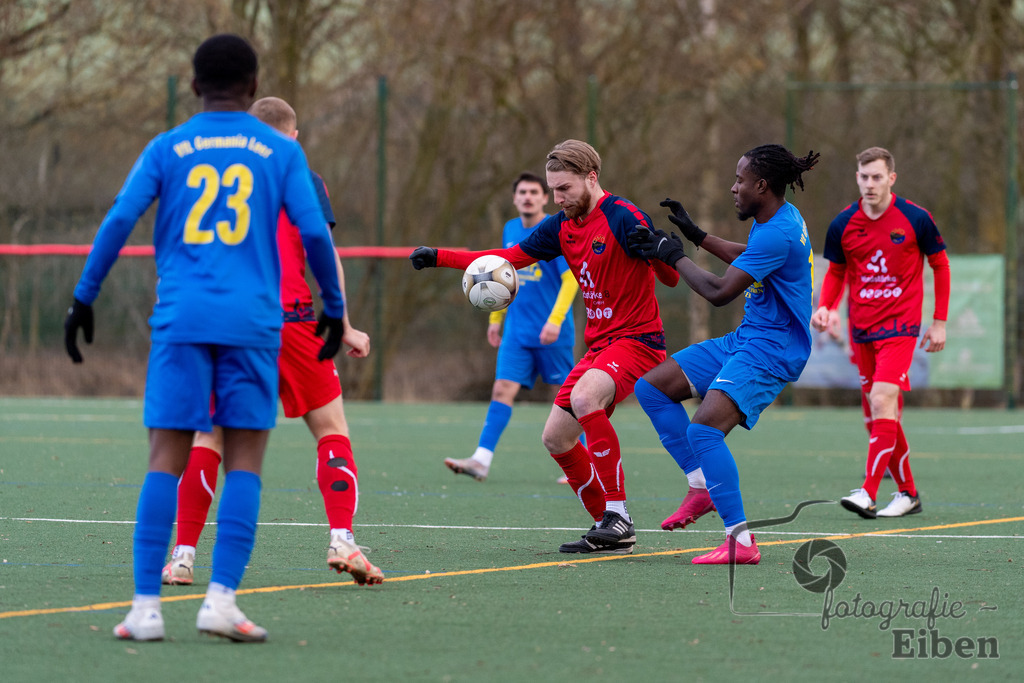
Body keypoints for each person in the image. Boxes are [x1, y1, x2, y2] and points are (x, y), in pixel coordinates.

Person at [63, 34, 346, 642]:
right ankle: (221, 601)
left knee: (167, 454)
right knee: (246, 458)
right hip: (252, 324)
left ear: (193, 86)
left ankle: (145, 609)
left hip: (182, 320)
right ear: (251, 88)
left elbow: (118, 219)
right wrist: (335, 305)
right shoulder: (280, 150)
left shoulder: (169, 146)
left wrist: (84, 296)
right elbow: (315, 236)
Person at [411, 140, 679, 554]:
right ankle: (605, 526)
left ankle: (618, 514)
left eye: (565, 189)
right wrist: (439, 258)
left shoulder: (624, 217)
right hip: (600, 345)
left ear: (592, 178)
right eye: (553, 189)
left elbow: (671, 280)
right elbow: (509, 258)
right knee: (555, 438)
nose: (557, 198)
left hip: (639, 341)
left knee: (587, 397)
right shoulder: (561, 226)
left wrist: (660, 254)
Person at [160, 96, 382, 590]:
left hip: (230, 324)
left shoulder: (213, 180)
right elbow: (321, 250)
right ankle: (342, 539)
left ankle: (182, 556)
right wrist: (342, 323)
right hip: (294, 321)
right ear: (293, 135)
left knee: (210, 437)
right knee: (330, 428)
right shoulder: (302, 177)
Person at [630, 144, 819, 565]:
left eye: (740, 181)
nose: (733, 188)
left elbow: (718, 293)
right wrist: (697, 237)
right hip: (749, 338)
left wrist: (674, 256)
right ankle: (701, 486)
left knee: (703, 432)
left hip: (772, 350)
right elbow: (749, 257)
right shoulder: (777, 217)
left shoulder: (776, 231)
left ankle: (742, 542)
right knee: (653, 388)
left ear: (762, 185)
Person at [811, 146, 949, 519]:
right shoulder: (843, 223)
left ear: (891, 178)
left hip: (901, 327)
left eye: (877, 177)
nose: (869, 184)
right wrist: (826, 306)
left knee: (883, 399)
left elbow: (940, 265)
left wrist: (939, 321)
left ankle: (868, 492)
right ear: (856, 177)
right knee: (877, 416)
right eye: (863, 176)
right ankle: (908, 494)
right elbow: (837, 271)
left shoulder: (916, 218)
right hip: (862, 329)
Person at [442, 172, 579, 482]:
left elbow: (570, 279)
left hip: (551, 333)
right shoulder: (510, 229)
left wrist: (555, 321)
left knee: (570, 398)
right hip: (516, 333)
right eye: (522, 192)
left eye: (534, 192)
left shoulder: (554, 229)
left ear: (545, 198)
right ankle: (481, 459)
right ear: (515, 198)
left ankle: (587, 463)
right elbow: (498, 276)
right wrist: (495, 319)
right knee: (502, 389)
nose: (528, 197)